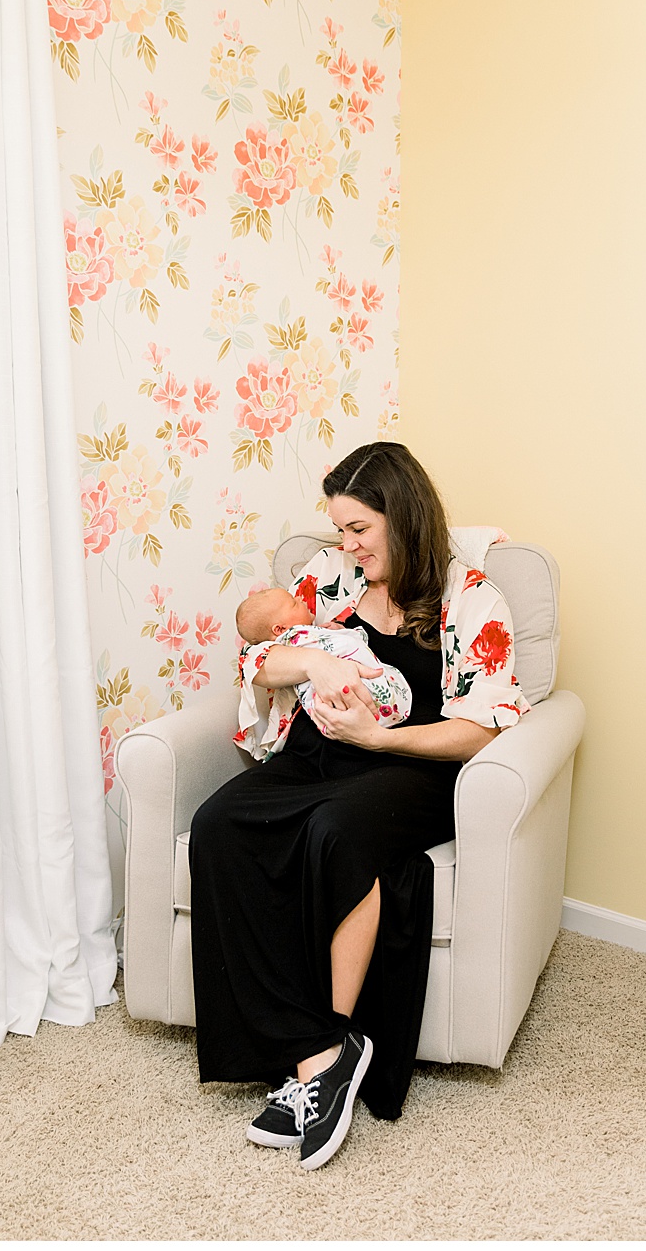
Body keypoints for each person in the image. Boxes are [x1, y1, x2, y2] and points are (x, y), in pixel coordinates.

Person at [188, 441, 528, 1170]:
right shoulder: (329, 577)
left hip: (407, 766)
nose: (346, 544)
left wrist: (379, 738)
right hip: (319, 754)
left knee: (336, 833)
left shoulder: (471, 599)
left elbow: (481, 726)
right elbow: (258, 656)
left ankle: (331, 1039)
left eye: (358, 530)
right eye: (340, 529)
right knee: (218, 826)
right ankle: (322, 1054)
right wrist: (314, 660)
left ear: (400, 518)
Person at [232, 585, 414, 748]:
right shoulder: (297, 638)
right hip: (339, 721)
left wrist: (334, 632)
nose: (300, 598)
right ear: (279, 630)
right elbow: (251, 660)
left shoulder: (311, 635)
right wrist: (345, 636)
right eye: (294, 604)